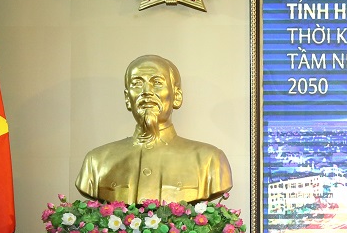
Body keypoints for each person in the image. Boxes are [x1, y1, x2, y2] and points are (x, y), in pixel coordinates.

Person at [75, 54, 233, 204]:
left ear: (177, 96)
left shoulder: (209, 160)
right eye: (137, 84)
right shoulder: (96, 162)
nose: (146, 91)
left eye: (157, 82)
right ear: (127, 98)